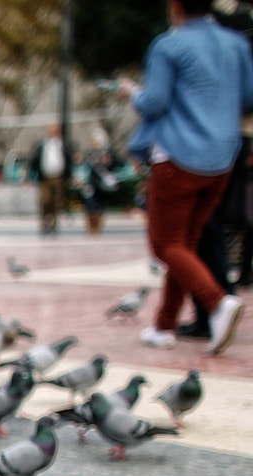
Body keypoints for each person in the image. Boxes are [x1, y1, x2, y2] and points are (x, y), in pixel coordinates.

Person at [123, 0, 253, 354]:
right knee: (186, 244)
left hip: (178, 155)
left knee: (166, 245)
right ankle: (164, 326)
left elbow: (155, 102)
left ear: (175, 5)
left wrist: (132, 93)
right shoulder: (236, 44)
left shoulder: (170, 44)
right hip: (223, 157)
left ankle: (216, 302)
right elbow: (248, 97)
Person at [29, 123, 67, 235]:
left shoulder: (62, 144)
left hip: (58, 177)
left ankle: (54, 225)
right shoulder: (42, 145)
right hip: (44, 178)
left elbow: (68, 158)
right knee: (45, 200)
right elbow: (34, 160)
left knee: (57, 202)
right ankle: (44, 223)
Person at [79, 136, 119, 236]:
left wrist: (108, 161)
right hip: (91, 184)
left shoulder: (107, 154)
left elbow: (117, 164)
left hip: (102, 185)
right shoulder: (89, 154)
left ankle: (98, 228)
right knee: (90, 206)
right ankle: (90, 228)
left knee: (101, 207)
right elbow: (83, 167)